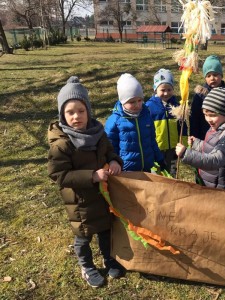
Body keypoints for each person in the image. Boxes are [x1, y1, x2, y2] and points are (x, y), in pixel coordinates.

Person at [47, 76, 126, 288]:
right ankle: (87, 266)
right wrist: (92, 176)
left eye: (81, 111)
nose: (76, 117)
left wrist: (114, 160)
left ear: (88, 111)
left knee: (105, 231)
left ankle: (109, 259)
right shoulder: (61, 145)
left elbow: (109, 150)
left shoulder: (97, 133)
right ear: (62, 115)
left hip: (102, 196)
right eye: (70, 112)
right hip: (80, 201)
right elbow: (59, 175)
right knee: (83, 236)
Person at [175, 87, 225, 191]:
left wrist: (186, 154)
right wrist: (197, 144)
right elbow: (212, 146)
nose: (208, 119)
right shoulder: (218, 126)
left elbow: (215, 160)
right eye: (205, 115)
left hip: (222, 189)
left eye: (212, 115)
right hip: (211, 184)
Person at [104, 73, 166, 172]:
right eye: (132, 102)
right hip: (126, 170)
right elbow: (110, 147)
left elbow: (152, 141)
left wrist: (159, 158)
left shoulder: (146, 116)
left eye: (140, 100)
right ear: (123, 102)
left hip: (146, 169)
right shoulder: (115, 121)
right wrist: (113, 161)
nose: (137, 105)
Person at [190, 55, 225, 140]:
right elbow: (195, 116)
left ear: (221, 75)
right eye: (208, 76)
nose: (212, 78)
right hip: (204, 135)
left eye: (215, 74)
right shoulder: (200, 95)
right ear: (205, 77)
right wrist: (194, 135)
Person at [146, 69, 185, 177]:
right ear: (155, 89)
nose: (166, 93)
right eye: (162, 90)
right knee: (157, 176)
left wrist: (183, 143)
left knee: (172, 174)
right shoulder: (149, 107)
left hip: (173, 148)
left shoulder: (176, 106)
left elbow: (182, 126)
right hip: (157, 148)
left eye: (169, 89)